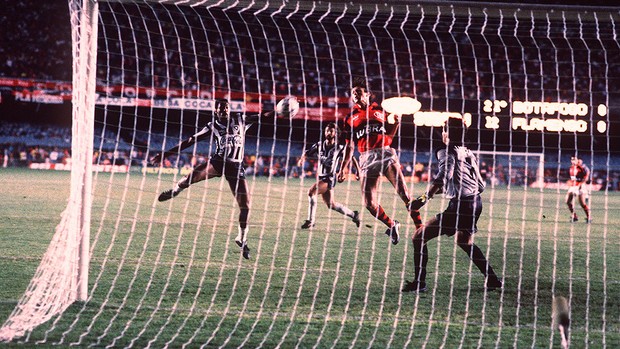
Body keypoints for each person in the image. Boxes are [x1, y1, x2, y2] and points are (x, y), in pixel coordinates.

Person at [151, 98, 274, 260]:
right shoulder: (212, 126)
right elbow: (190, 141)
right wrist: (166, 154)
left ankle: (242, 239)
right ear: (215, 111)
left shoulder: (240, 119)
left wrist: (278, 111)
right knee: (191, 177)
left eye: (226, 107)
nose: (224, 110)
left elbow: (263, 116)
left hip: (236, 166)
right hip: (218, 162)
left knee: (246, 206)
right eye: (220, 108)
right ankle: (174, 191)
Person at [402, 117, 502, 293]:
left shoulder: (445, 150)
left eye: (444, 129)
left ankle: (420, 282)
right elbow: (479, 185)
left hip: (461, 206)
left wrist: (423, 199)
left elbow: (443, 177)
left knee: (418, 237)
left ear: (447, 132)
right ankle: (492, 279)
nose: (442, 133)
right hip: (476, 203)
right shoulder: (467, 152)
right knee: (464, 241)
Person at [339, 78, 423, 246]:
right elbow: (349, 147)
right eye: (353, 92)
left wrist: (396, 125)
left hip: (385, 153)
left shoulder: (380, 110)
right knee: (369, 204)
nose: (355, 94)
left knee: (404, 194)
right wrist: (343, 168)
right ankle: (392, 225)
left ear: (368, 94)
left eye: (358, 92)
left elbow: (388, 139)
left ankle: (419, 228)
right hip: (366, 158)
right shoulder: (349, 118)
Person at [298, 122, 361, 229]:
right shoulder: (319, 145)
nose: (328, 133)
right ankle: (354, 215)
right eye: (327, 130)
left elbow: (351, 157)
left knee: (311, 192)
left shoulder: (339, 148)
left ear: (336, 134)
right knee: (331, 205)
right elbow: (307, 152)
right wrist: (302, 158)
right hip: (321, 177)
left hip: (330, 178)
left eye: (331, 131)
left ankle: (311, 221)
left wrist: (358, 170)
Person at [566, 156, 591, 223]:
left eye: (574, 159)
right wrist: (569, 182)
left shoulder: (582, 168)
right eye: (572, 159)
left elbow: (586, 177)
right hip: (573, 186)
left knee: (582, 204)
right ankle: (574, 216)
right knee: (567, 201)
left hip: (580, 187)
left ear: (578, 160)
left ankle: (589, 217)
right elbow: (571, 178)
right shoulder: (571, 168)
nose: (573, 161)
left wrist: (581, 184)